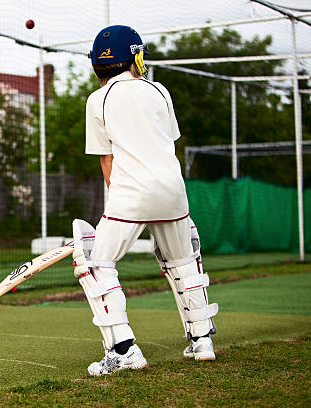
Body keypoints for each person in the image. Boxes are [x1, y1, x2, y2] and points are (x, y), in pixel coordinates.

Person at [71, 25, 218, 376]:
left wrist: (117, 213)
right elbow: (169, 143)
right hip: (173, 191)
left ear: (96, 65)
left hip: (131, 195)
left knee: (96, 261)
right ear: (137, 57)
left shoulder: (98, 100)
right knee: (183, 261)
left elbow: (107, 164)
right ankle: (202, 340)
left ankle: (123, 351)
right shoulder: (159, 90)